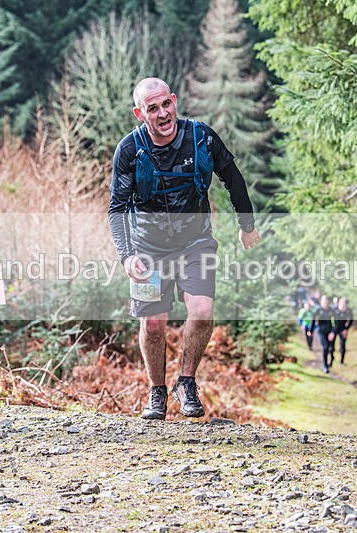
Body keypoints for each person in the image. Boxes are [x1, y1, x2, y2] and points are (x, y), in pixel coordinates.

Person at [108, 77, 260, 420]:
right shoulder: (129, 150)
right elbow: (117, 208)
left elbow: (232, 176)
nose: (163, 113)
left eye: (166, 104)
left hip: (196, 242)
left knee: (202, 311)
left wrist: (246, 225)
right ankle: (157, 391)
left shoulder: (201, 137)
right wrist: (127, 254)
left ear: (174, 100)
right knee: (153, 326)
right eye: (153, 108)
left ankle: (186, 382)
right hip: (147, 248)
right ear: (139, 113)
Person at [313, 295, 336, 373]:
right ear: (321, 302)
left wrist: (333, 332)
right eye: (324, 301)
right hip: (321, 332)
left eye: (327, 301)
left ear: (329, 302)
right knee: (325, 347)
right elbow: (313, 320)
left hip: (330, 332)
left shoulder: (332, 311)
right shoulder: (318, 310)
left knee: (331, 349)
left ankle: (332, 358)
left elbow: (336, 323)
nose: (326, 303)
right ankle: (325, 366)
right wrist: (310, 330)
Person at [332, 297, 354, 365]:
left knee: (343, 345)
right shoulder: (334, 310)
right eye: (342, 304)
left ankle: (341, 361)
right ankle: (331, 360)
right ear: (339, 303)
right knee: (331, 346)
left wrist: (346, 329)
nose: (344, 306)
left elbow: (351, 320)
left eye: (345, 305)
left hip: (343, 329)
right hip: (334, 329)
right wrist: (331, 331)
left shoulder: (348, 311)